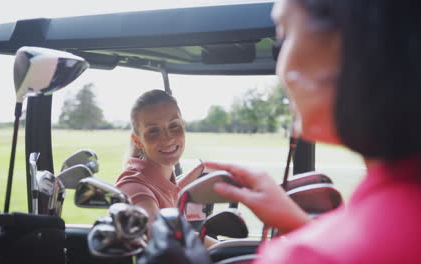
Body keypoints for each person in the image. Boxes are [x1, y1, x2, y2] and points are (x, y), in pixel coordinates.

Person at [204, 0, 421, 263]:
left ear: (345, 43)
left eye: (283, 33)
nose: (282, 69)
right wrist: (297, 223)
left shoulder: (307, 256)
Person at [114, 89, 210, 239]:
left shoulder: (160, 176)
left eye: (174, 126)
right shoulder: (133, 186)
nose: (167, 139)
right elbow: (163, 237)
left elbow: (171, 192)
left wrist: (201, 168)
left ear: (183, 126)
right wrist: (220, 248)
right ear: (138, 140)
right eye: (153, 131)